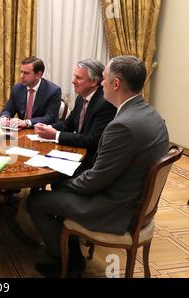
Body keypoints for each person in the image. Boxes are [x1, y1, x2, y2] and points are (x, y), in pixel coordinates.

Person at [26, 55, 169, 277]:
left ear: (116, 83)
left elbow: (96, 179)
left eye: (103, 79)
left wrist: (64, 183)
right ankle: (70, 250)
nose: (101, 84)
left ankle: (65, 261)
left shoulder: (122, 125)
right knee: (58, 188)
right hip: (132, 199)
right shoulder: (150, 114)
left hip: (115, 208)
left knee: (36, 201)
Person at [35, 59, 116, 170]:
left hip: (91, 163)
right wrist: (48, 128)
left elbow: (92, 140)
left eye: (78, 78)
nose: (73, 81)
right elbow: (69, 124)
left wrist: (55, 135)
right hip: (76, 152)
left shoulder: (105, 103)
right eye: (74, 76)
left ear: (93, 82)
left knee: (49, 171)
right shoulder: (81, 97)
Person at [0, 56, 61, 129]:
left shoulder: (53, 91)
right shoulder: (17, 88)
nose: (21, 76)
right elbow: (8, 110)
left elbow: (50, 118)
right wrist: (4, 117)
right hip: (21, 132)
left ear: (38, 75)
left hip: (41, 133)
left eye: (26, 73)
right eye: (21, 72)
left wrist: (27, 122)